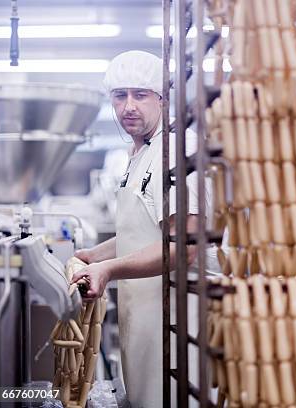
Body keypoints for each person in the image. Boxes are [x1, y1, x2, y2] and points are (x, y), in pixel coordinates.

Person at [71, 50, 217, 408]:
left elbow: (183, 247)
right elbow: (144, 232)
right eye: (120, 96)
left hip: (182, 315)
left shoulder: (179, 150)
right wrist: (95, 256)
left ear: (162, 98)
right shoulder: (140, 155)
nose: (129, 107)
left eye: (141, 94)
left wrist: (109, 269)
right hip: (147, 309)